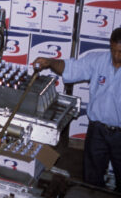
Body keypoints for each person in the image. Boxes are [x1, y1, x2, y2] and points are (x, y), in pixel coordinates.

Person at [32, 27, 121, 191]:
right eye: (114, 51)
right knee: (91, 179)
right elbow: (71, 67)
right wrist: (51, 62)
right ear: (110, 45)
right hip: (98, 131)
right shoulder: (98, 60)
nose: (116, 56)